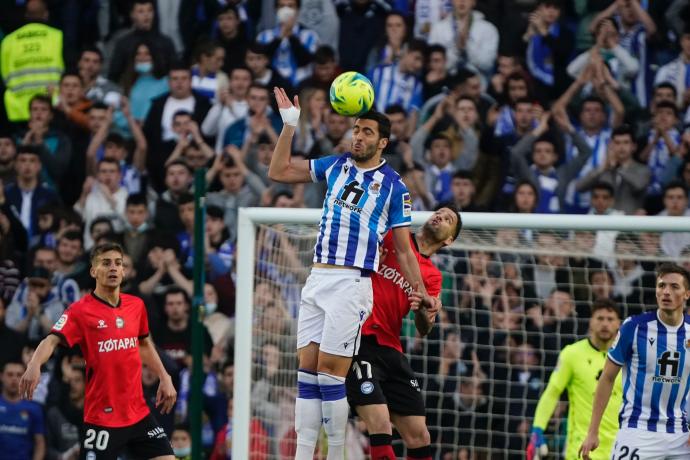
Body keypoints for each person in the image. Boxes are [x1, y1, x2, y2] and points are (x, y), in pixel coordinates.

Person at [268, 87, 435, 460]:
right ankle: (304, 454)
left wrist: (420, 290)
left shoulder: (394, 186)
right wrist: (290, 126)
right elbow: (278, 170)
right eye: (356, 130)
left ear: (383, 142)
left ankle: (338, 453)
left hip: (352, 280)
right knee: (307, 371)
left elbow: (405, 250)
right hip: (317, 277)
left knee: (330, 372)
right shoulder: (336, 165)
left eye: (366, 132)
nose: (357, 136)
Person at [19, 243, 177, 460]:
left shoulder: (136, 306)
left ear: (124, 271)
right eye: (106, 263)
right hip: (103, 418)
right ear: (94, 271)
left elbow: (143, 344)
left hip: (138, 413)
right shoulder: (80, 310)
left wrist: (164, 376)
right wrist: (34, 364)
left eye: (118, 263)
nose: (113, 268)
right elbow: (52, 340)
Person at [346, 207, 462, 460]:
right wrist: (369, 254)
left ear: (449, 240)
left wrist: (422, 308)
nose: (440, 216)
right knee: (380, 425)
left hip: (391, 348)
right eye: (439, 212)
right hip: (358, 339)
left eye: (448, 219)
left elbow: (424, 328)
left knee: (420, 436)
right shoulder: (392, 237)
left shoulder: (433, 276)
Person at [580, 263, 690, 460]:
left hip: (681, 434)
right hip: (638, 430)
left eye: (674, 287)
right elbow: (606, 378)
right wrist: (592, 431)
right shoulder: (634, 327)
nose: (666, 292)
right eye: (661, 286)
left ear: (687, 294)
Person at [526, 299, 623, 460]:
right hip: (581, 448)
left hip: (620, 448)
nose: (605, 324)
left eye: (610, 319)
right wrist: (537, 428)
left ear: (618, 323)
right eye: (600, 318)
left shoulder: (628, 358)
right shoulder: (572, 354)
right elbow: (552, 392)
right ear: (591, 322)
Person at [0, 361, 45, 460]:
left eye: (19, 375)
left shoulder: (34, 409)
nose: (14, 379)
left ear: (25, 377)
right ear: (1, 376)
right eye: (10, 374)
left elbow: (40, 444)